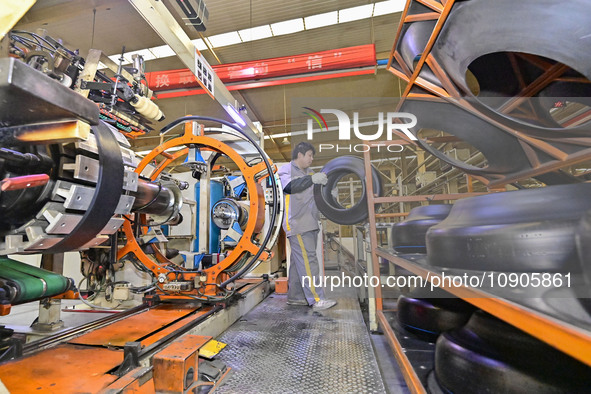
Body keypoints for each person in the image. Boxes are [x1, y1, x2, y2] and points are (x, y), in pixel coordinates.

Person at [277, 142, 337, 311]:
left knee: (299, 263)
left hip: (310, 222)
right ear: (300, 155)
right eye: (309, 155)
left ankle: (296, 297)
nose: (312, 159)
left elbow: (317, 196)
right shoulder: (286, 169)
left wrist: (329, 192)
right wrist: (311, 179)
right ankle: (317, 299)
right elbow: (289, 187)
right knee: (309, 261)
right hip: (297, 223)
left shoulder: (310, 173)